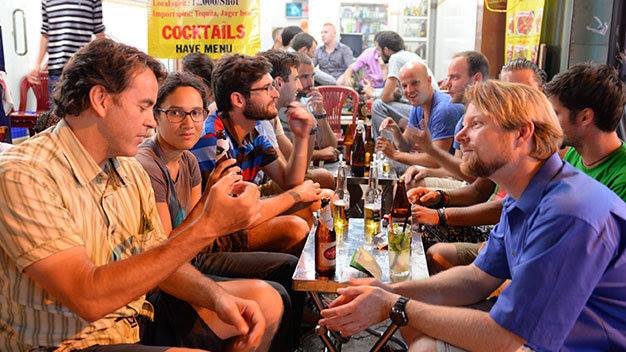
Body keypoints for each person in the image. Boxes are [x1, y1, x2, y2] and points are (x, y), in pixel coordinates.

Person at [0, 38, 282, 351]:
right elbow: (87, 297)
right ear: (101, 100)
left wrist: (217, 297)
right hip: (67, 342)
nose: (151, 121)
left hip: (132, 321)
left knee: (264, 303)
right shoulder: (25, 173)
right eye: (145, 106)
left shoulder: (127, 168)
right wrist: (208, 226)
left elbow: (159, 261)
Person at [319, 80, 626, 351]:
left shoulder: (568, 212)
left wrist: (393, 305)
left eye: (476, 125)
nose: (460, 136)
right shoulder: (526, 193)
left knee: (418, 332)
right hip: (547, 334)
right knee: (415, 323)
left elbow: (509, 339)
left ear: (521, 134)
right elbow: (477, 278)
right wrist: (387, 291)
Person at [135, 72, 309, 351]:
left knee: (288, 269)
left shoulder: (189, 159)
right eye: (176, 113)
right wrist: (212, 204)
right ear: (156, 115)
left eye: (196, 113)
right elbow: (167, 252)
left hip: (193, 255)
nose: (189, 123)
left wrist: (304, 137)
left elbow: (196, 234)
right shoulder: (150, 165)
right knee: (271, 295)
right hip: (165, 277)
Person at [190, 53, 319, 254]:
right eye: (267, 88)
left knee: (320, 200)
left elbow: (289, 180)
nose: (275, 94)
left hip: (239, 219)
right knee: (294, 228)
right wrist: (295, 196)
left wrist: (301, 137)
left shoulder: (254, 128)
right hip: (215, 236)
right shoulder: (213, 139)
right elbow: (238, 215)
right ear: (238, 99)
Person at [403, 51, 489, 185]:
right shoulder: (462, 120)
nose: (446, 84)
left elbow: (478, 187)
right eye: (448, 77)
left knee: (409, 184)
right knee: (408, 178)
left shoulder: (490, 118)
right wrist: (426, 170)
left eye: (455, 78)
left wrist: (396, 155)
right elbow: (461, 170)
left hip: (476, 190)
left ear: (476, 79)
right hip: (467, 185)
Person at [545, 63, 626, 199]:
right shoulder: (574, 154)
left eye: (555, 113)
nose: (548, 120)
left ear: (585, 117)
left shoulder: (621, 180)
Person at [376, 61, 463, 171]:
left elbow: (435, 161)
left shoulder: (443, 109)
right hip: (439, 167)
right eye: (404, 86)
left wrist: (395, 154)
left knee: (399, 170)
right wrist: (395, 130)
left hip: (450, 172)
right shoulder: (418, 106)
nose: (409, 90)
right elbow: (405, 146)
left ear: (429, 80)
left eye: (415, 83)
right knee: (383, 164)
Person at [28, 0, 106, 102]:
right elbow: (45, 33)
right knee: (56, 113)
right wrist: (37, 64)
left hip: (82, 68)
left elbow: (100, 35)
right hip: (56, 70)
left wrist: (102, 66)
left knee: (81, 111)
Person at [370, 31, 437, 139]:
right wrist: (396, 95)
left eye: (378, 49)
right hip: (428, 105)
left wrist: (386, 95)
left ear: (386, 50)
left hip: (426, 109)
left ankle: (385, 150)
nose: (377, 54)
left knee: (378, 105)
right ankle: (398, 144)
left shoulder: (395, 58)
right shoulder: (410, 55)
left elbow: (385, 98)